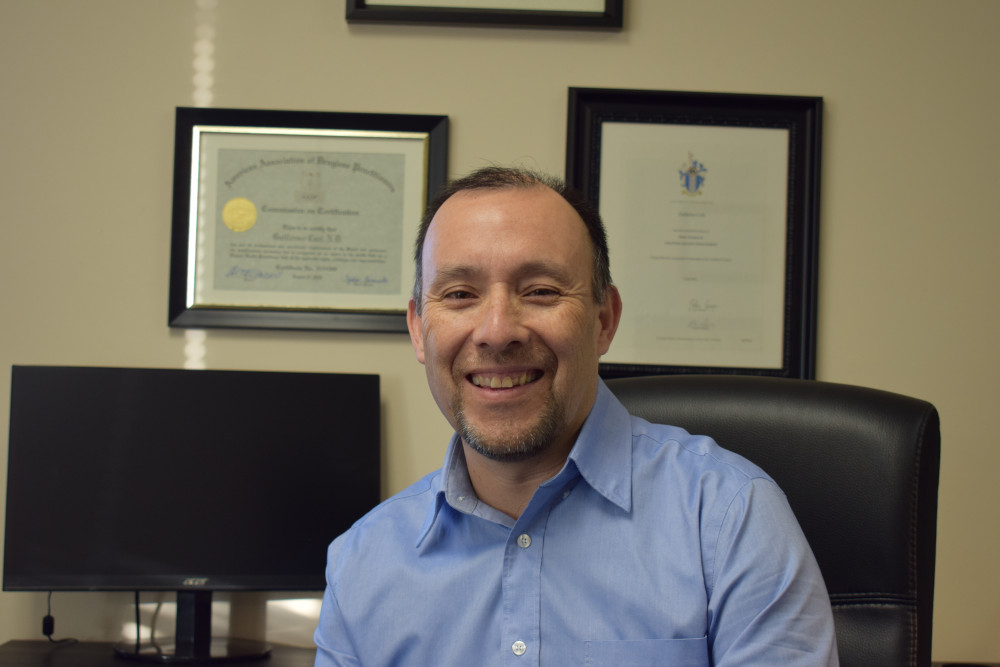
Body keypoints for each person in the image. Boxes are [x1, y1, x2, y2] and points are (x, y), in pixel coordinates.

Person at [313, 166, 839, 666]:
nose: (497, 331)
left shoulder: (729, 519)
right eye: (459, 295)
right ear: (418, 329)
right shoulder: (362, 562)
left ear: (604, 320)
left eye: (540, 291)